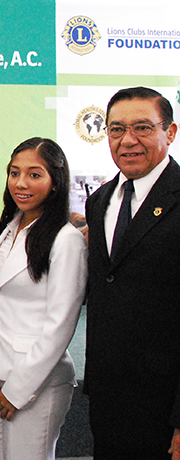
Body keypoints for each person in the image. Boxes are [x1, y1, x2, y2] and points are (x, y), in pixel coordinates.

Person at [0, 137, 87, 460]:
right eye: (14, 173)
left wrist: (19, 389)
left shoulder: (67, 241)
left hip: (38, 383)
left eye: (35, 175)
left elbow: (61, 324)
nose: (21, 183)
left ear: (55, 183)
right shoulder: (6, 232)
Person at [84, 86, 180, 460]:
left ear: (169, 132)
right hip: (107, 401)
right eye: (116, 129)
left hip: (164, 406)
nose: (128, 140)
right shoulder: (100, 201)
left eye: (142, 127)